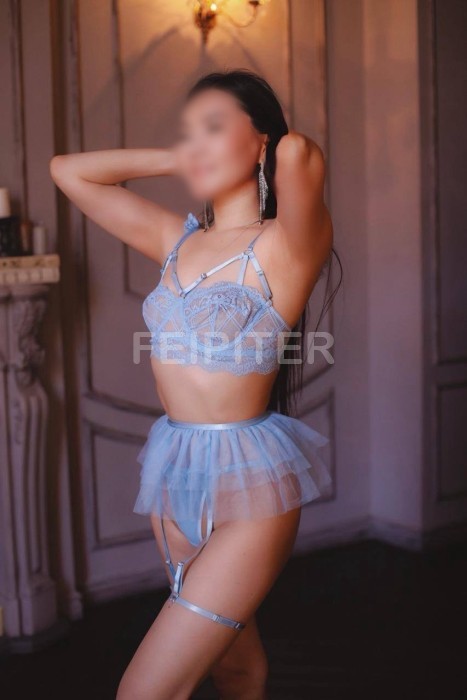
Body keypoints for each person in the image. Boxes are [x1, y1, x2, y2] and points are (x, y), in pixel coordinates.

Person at [50, 69, 340, 700]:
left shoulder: (288, 244)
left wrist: (267, 142)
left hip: (249, 485)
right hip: (176, 469)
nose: (197, 143)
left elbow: (300, 154)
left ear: (261, 142)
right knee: (236, 669)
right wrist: (178, 156)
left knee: (144, 691)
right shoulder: (176, 241)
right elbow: (68, 171)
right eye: (189, 131)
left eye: (215, 126)